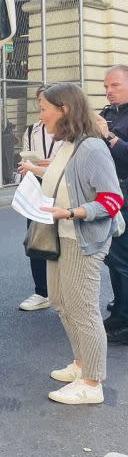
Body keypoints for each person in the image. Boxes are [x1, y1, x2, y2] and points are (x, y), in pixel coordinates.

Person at [19, 83, 123, 405]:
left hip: (81, 239)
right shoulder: (68, 144)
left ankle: (92, 383)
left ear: (63, 109)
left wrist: (72, 212)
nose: (41, 114)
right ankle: (81, 364)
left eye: (44, 108)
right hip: (59, 237)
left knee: (84, 311)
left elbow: (112, 200)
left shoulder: (92, 148)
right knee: (62, 303)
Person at [19, 84, 60, 312]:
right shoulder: (32, 130)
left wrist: (48, 165)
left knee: (61, 240)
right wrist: (27, 166)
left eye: (45, 105)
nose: (41, 111)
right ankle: (41, 291)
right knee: (35, 238)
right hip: (37, 187)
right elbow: (26, 155)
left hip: (60, 187)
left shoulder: (68, 130)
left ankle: (60, 290)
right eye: (40, 104)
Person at [95, 65, 128, 343]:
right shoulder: (107, 114)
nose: (108, 91)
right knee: (113, 257)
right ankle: (120, 308)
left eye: (115, 85)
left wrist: (108, 136)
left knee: (122, 259)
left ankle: (125, 320)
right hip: (108, 193)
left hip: (125, 192)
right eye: (106, 86)